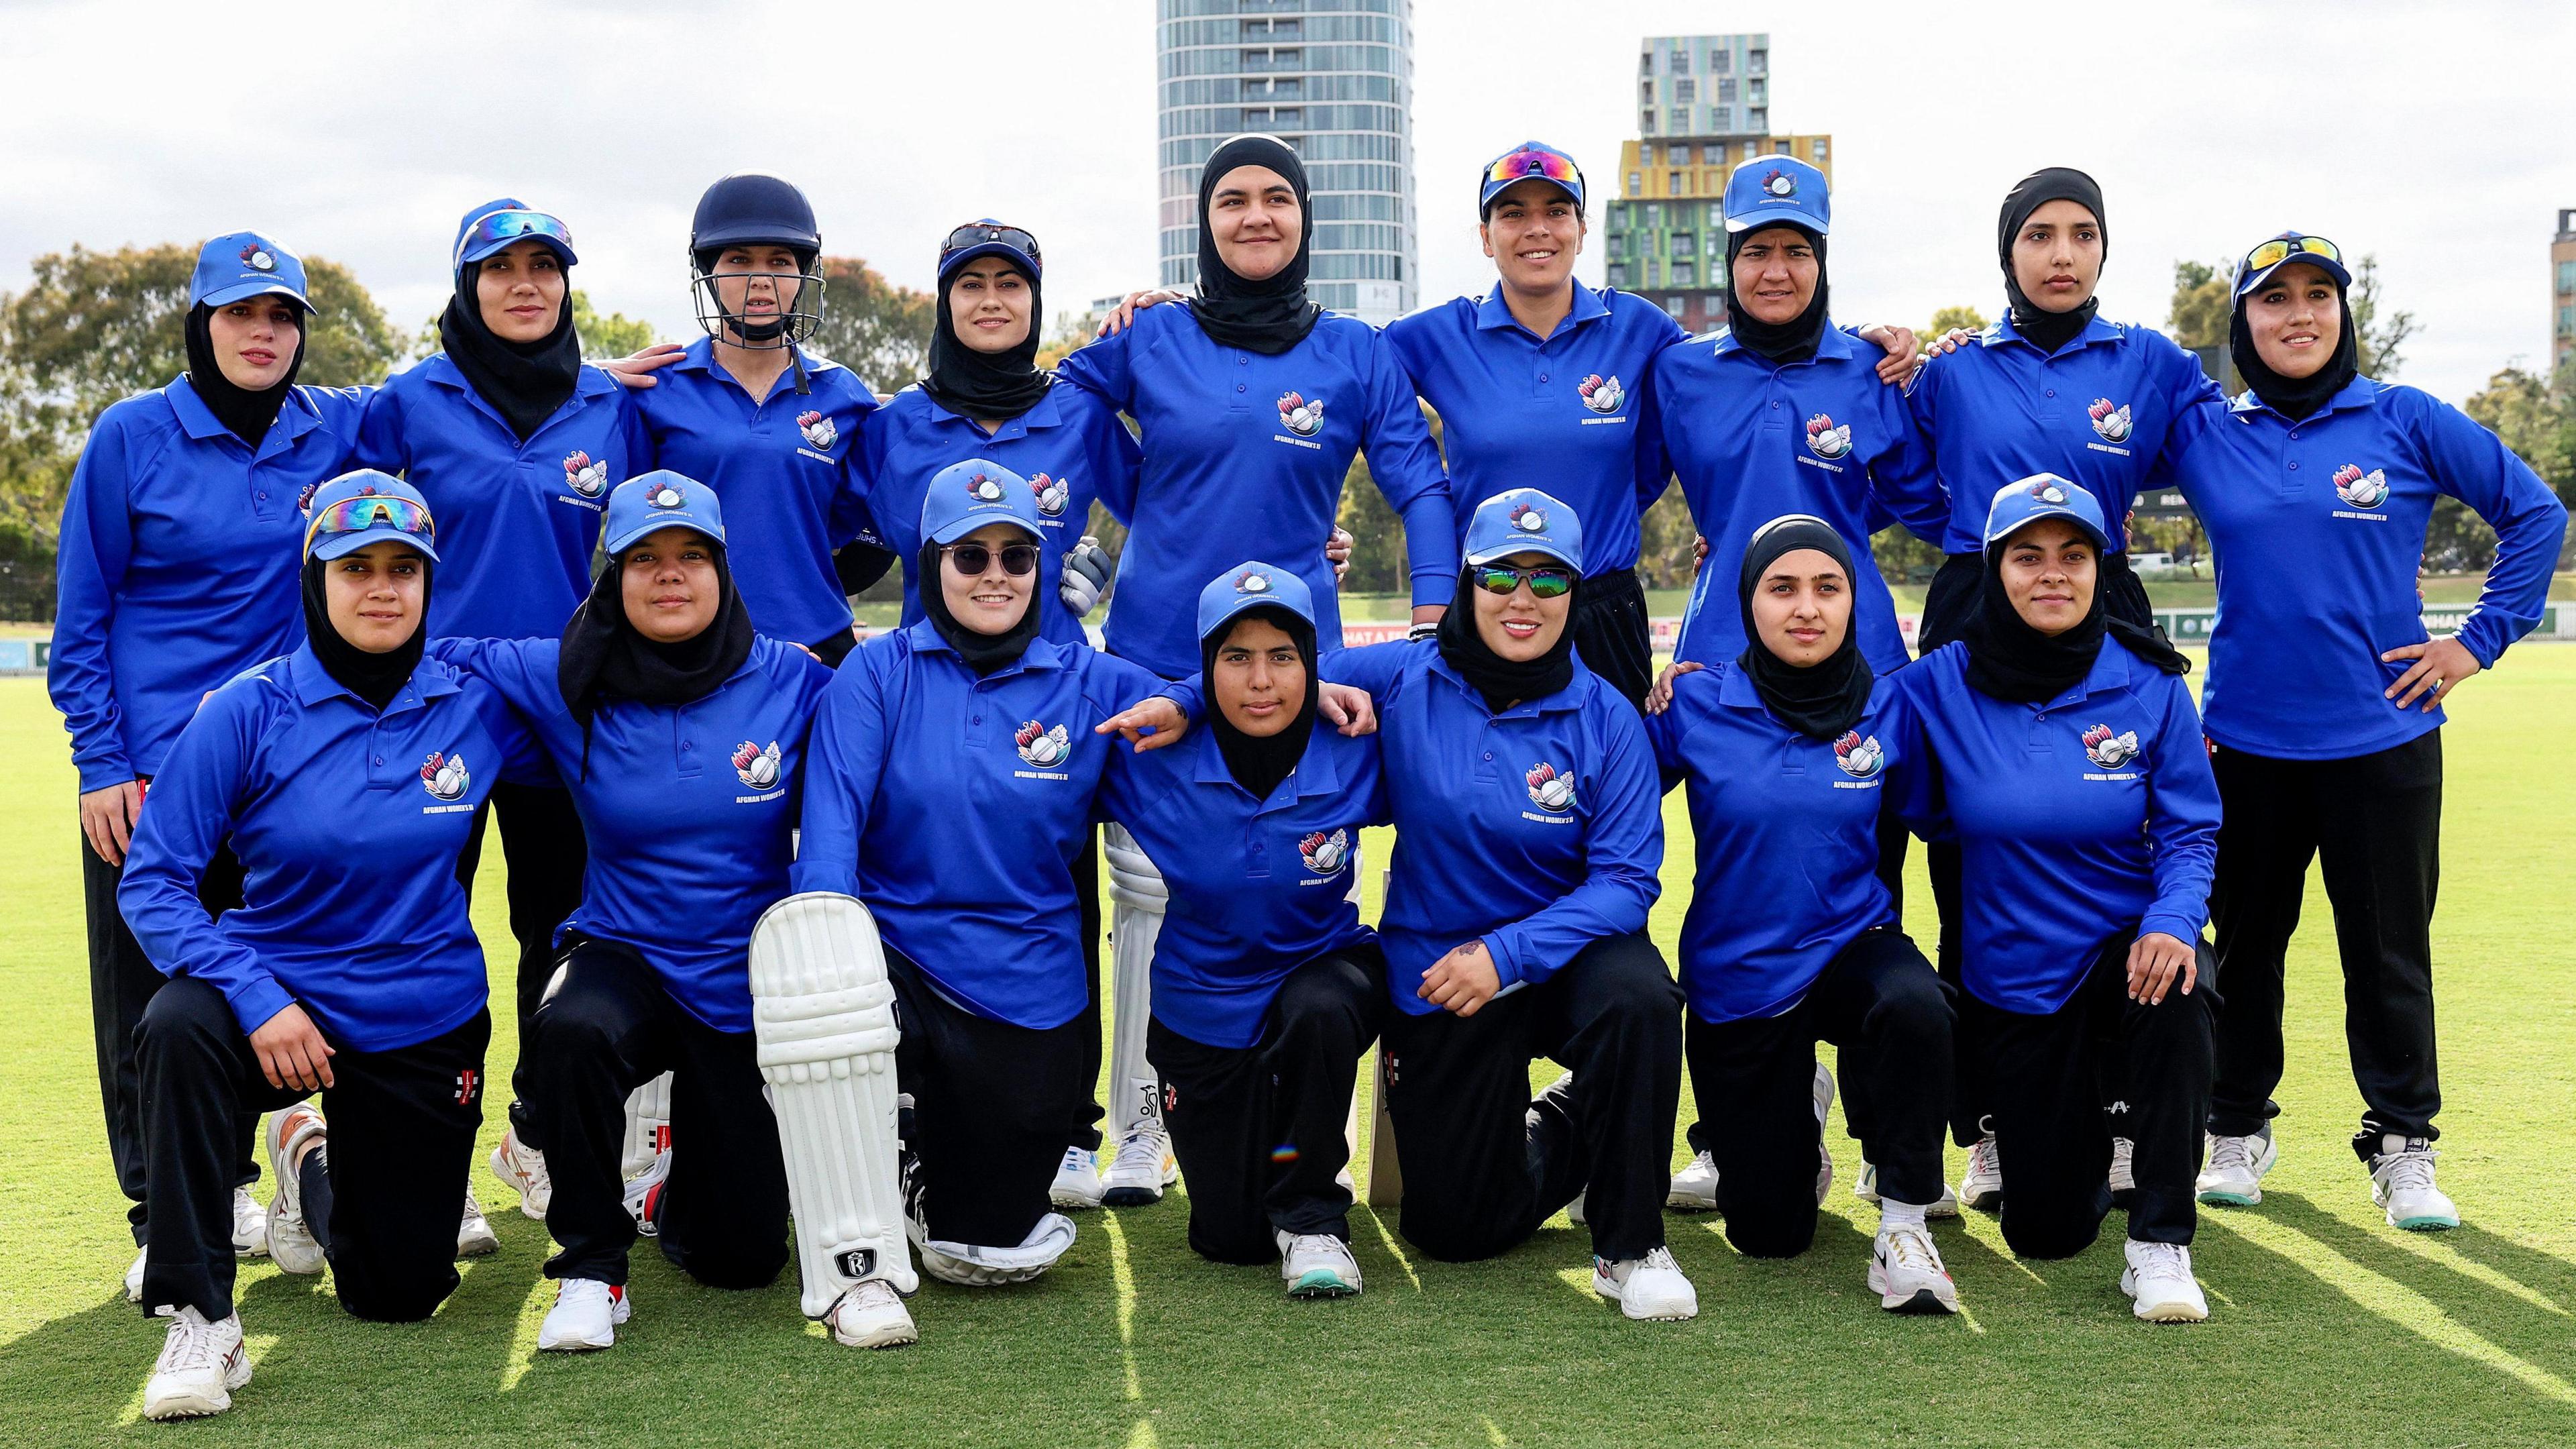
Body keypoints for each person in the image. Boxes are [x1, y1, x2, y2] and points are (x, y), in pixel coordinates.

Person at [1054, 134, 1454, 1205]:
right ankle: (1139, 1124)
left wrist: (1429, 617)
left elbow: (1420, 485)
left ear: (1306, 218)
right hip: (1150, 657)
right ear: (1204, 222)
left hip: (1292, 674)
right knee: (1147, 893)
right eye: (1233, 200)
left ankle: (1286, 1103)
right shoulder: (1151, 337)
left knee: (1293, 879)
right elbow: (1059, 414)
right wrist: (1116, 520)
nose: (1256, 217)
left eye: (1278, 198)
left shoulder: (1358, 352)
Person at [2159, 233, 2569, 1227]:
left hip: (2384, 741)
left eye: (2318, 297)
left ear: (2344, 315)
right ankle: (2235, 1128)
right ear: (2243, 325)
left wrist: (2473, 644)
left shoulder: (2406, 419)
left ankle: (2402, 1145)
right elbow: (2078, 484)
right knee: (2247, 951)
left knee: (2387, 952)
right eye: (2274, 301)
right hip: (2245, 744)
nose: (2298, 316)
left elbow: (2537, 515)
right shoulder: (2206, 431)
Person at [116, 474, 535, 1418]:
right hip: (275, 1002)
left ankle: (308, 1161)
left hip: (420, 1013)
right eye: (356, 570)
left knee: (400, 1295)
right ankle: (200, 1316)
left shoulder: (478, 699)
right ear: (316, 580)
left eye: (403, 570)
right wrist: (257, 996)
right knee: (178, 1023)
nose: (381, 589)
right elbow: (152, 883)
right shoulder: (247, 709)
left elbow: (613, 665)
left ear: (430, 585)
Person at [426, 472, 835, 1348]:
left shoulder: (792, 682)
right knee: (568, 1024)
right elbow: (437, 651)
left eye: (691, 556)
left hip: (744, 979)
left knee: (743, 1260)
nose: (669, 576)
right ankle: (589, 1271)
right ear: (611, 578)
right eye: (642, 559)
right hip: (624, 954)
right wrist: (265, 689)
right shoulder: (566, 674)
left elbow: (887, 707)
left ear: (724, 572)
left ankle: (666, 1194)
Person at [788, 460, 1193, 1340]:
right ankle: (865, 1173)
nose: (995, 575)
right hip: (894, 968)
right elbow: (827, 847)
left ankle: (931, 1171)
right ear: (930, 563)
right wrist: (825, 971)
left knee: (989, 1247)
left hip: (1031, 989)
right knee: (840, 1008)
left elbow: (1215, 704)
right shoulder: (876, 675)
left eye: (1017, 555)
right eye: (969, 556)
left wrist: (1210, 700)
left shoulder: (1090, 683)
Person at [49, 232, 373, 1295]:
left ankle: (285, 1155)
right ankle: (170, 1214)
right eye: (241, 315)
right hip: (149, 777)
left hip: (283, 770)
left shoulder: (334, 429)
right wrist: (101, 761)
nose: (262, 333)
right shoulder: (132, 434)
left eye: (281, 317)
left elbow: (457, 391)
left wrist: (604, 371)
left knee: (276, 972)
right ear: (202, 323)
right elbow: (84, 615)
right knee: (148, 1002)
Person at [1901, 166, 2224, 1207]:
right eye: (2039, 235)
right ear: (2009, 254)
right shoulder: (1953, 370)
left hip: (2100, 595)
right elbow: (1901, 474)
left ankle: (2130, 1109)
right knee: (1968, 864)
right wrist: (1893, 355)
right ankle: (1988, 1122)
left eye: (2082, 234)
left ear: (2102, 251)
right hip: (1972, 599)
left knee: (2122, 835)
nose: (2061, 254)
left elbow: (2228, 452)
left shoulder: (2153, 362)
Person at [1383, 142, 1922, 710]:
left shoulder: (1642, 330)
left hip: (1605, 604)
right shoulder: (1432, 335)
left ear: (1583, 230)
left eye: (1557, 212)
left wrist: (1862, 342)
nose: (1537, 229)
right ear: (1487, 236)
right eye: (1513, 213)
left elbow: (1763, 373)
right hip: (1493, 600)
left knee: (1619, 785)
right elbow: (1358, 382)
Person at [1322, 488, 1688, 1321]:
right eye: (1502, 576)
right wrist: (1265, 695)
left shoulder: (1607, 717)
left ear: (1574, 592)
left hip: (1564, 961)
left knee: (1641, 999)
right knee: (1455, 1230)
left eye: (1550, 581)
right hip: (1440, 968)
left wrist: (1510, 955)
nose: (1524, 600)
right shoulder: (1404, 676)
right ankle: (1574, 1121)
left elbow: (1628, 884)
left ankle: (1631, 1244)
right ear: (1466, 581)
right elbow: (1264, 673)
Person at [360, 200, 648, 1233]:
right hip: (431, 717)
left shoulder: (613, 405)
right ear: (465, 287)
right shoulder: (407, 403)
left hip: (571, 718)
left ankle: (533, 1135)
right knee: (417, 934)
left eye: (544, 267)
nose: (524, 285)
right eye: (500, 269)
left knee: (558, 934)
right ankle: (415, 1149)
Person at [1889, 474, 2221, 1322]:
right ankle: (2095, 1133)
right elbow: (1894, 786)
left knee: (2183, 986)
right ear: (1995, 570)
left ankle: (2161, 1240)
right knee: (2047, 1231)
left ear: (2098, 570)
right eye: (2028, 557)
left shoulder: (2147, 683)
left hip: (2128, 952)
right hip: (2018, 978)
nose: (2052, 575)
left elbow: (2189, 828)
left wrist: (2174, 922)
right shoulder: (1936, 687)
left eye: (2073, 557)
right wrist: (1696, 689)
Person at [1643, 516, 1958, 1313]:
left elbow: (1957, 816)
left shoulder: (1890, 709)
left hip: (1852, 947)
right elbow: (1605, 785)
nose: (1807, 608)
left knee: (1914, 1002)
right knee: (1769, 1233)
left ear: (1855, 602)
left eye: (1829, 587)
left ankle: (1904, 1223)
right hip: (1740, 977)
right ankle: (1800, 1100)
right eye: (1783, 588)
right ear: (1750, 602)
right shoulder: (1696, 703)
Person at [1095, 563, 1386, 1297]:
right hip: (1205, 1009)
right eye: (1236, 658)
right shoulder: (1151, 756)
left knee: (1319, 1010)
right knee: (1230, 1241)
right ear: (1206, 666)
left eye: (1283, 658)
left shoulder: (1355, 744)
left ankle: (1315, 1219)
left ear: (1312, 665)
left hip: (1322, 975)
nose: (1262, 681)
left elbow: (1445, 664)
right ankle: (1282, 1179)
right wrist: (1184, 702)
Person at [627, 173, 892, 665]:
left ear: (804, 274)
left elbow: (867, 531)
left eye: (780, 261)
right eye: (739, 260)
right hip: (686, 650)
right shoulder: (654, 389)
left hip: (819, 644)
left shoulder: (846, 396)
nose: (761, 279)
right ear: (707, 271)